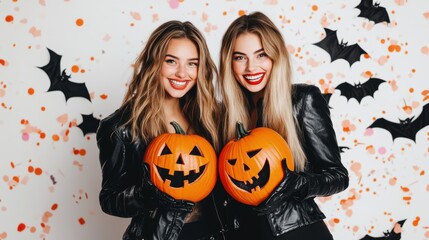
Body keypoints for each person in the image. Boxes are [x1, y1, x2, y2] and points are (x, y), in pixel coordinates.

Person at [217, 11, 349, 240]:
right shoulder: (224, 116)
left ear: (276, 56)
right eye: (240, 57)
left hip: (297, 232)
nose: (251, 67)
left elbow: (338, 176)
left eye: (261, 55)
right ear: (229, 63)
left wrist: (299, 185)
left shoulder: (302, 100)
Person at [96, 20, 230, 240]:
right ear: (154, 63)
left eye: (192, 64)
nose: (181, 73)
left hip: (212, 234)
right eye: (171, 61)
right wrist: (145, 193)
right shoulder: (121, 127)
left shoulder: (211, 118)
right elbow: (110, 199)